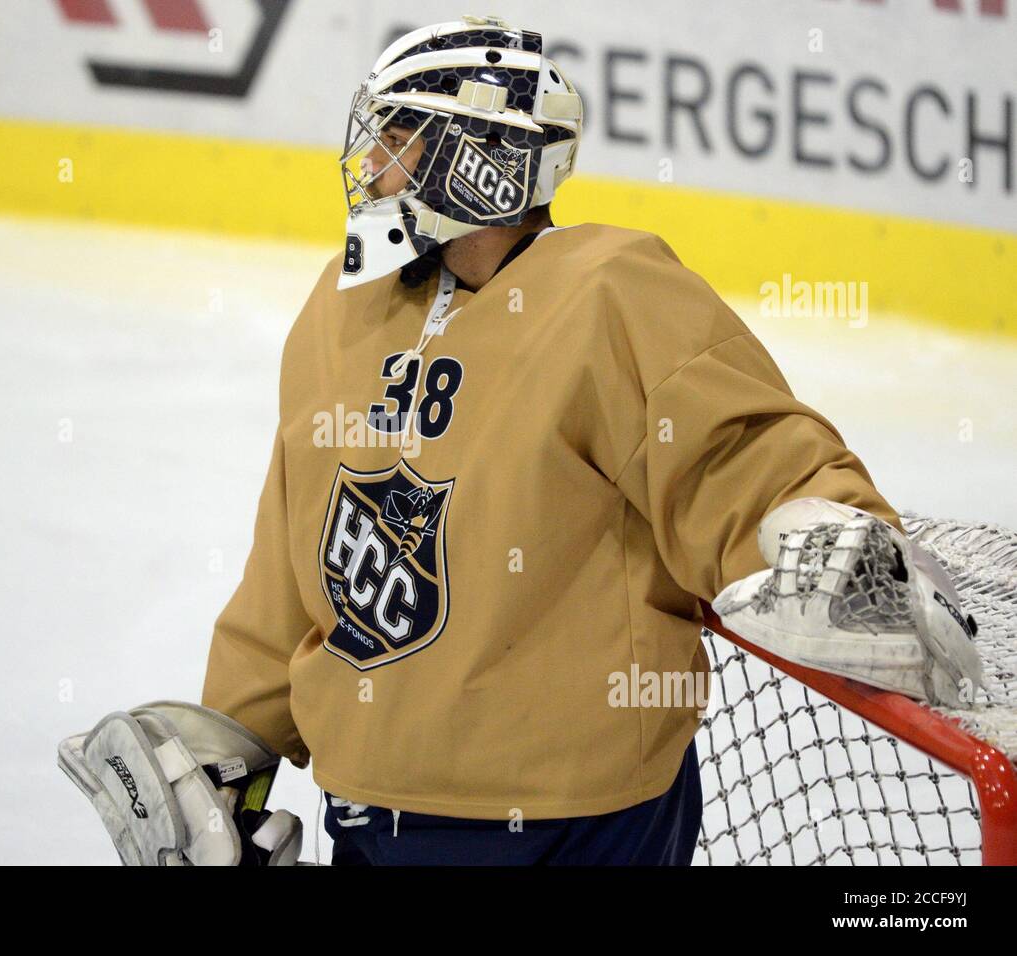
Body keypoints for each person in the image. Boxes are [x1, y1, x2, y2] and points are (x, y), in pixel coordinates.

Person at [58, 14, 982, 867]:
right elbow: (296, 554)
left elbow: (740, 457)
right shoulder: (342, 310)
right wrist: (235, 733)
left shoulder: (606, 292)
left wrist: (833, 543)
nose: (370, 163)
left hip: (571, 825)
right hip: (371, 813)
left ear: (479, 159)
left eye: (397, 138)